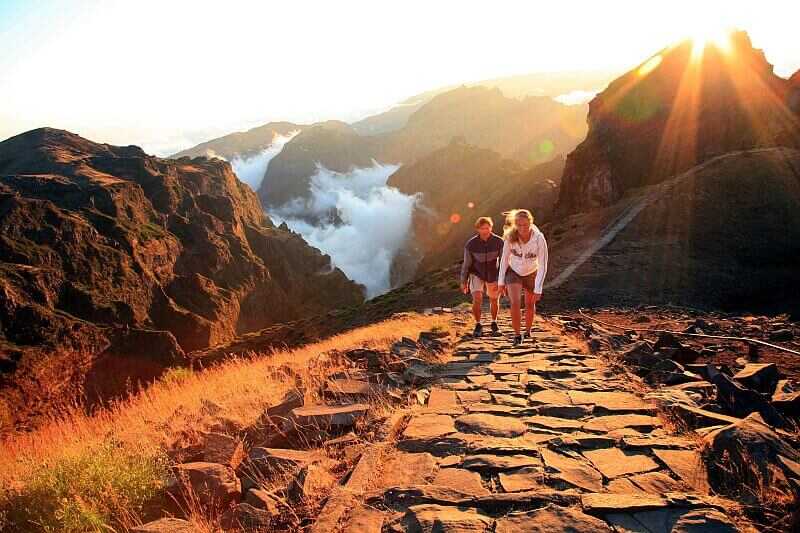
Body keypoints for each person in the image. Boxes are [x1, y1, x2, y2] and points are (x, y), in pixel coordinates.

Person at [497, 209, 548, 346]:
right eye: (519, 225)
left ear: (530, 223)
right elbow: (504, 259)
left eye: (525, 225)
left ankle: (528, 330)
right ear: (515, 225)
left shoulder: (539, 238)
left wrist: (538, 288)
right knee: (515, 302)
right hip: (514, 271)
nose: (522, 228)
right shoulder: (509, 237)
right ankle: (517, 335)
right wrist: (501, 282)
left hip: (532, 272)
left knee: (530, 304)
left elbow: (543, 264)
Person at [460, 216, 504, 337]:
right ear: (477, 229)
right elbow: (466, 264)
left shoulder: (499, 242)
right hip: (476, 274)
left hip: (493, 274)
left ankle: (494, 323)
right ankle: (478, 324)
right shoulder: (471, 244)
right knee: (477, 299)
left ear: (491, 228)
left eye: (487, 228)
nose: (485, 231)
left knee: (494, 299)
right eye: (482, 228)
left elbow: (504, 262)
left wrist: (503, 281)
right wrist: (463, 281)